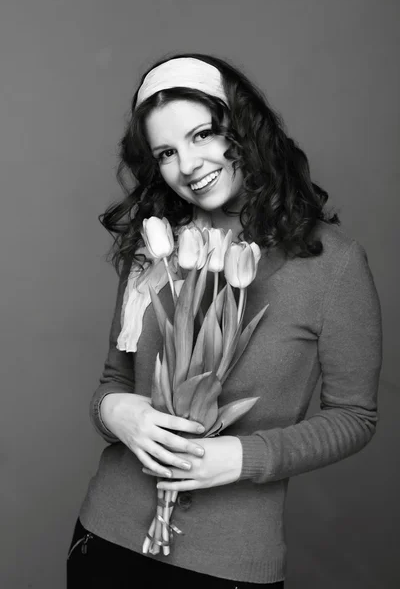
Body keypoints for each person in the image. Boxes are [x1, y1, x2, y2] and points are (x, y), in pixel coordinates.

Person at [67, 53, 382, 588]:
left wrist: (241, 457)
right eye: (166, 152)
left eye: (203, 134)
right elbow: (113, 382)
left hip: (228, 564)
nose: (187, 165)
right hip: (105, 538)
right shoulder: (155, 250)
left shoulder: (332, 263)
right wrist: (115, 412)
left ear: (245, 131)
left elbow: (355, 416)